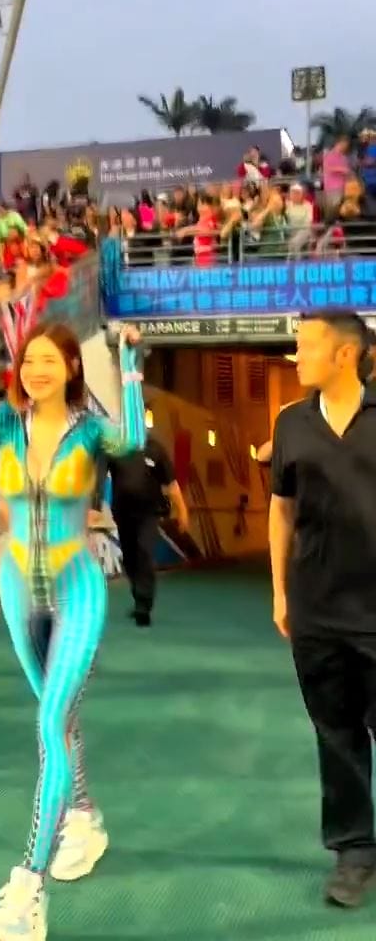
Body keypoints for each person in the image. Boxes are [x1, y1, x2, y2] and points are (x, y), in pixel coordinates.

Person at [0, 300, 146, 941]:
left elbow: (133, 438)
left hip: (78, 589)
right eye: (28, 361)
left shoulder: (91, 431)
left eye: (49, 360)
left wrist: (130, 362)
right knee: (60, 719)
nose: (36, 370)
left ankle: (28, 887)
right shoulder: (2, 424)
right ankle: (84, 817)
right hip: (18, 590)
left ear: (71, 367)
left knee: (49, 723)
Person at [269, 310, 376, 909]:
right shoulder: (292, 423)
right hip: (318, 610)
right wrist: (280, 591)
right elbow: (281, 509)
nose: (297, 356)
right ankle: (354, 850)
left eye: (307, 346)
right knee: (336, 733)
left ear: (345, 354)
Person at [97, 429, 189, 627]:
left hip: (149, 512)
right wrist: (93, 506)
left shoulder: (155, 448)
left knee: (144, 552)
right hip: (123, 512)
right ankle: (139, 597)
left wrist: (182, 510)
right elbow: (98, 477)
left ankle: (144, 607)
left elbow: (171, 483)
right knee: (130, 558)